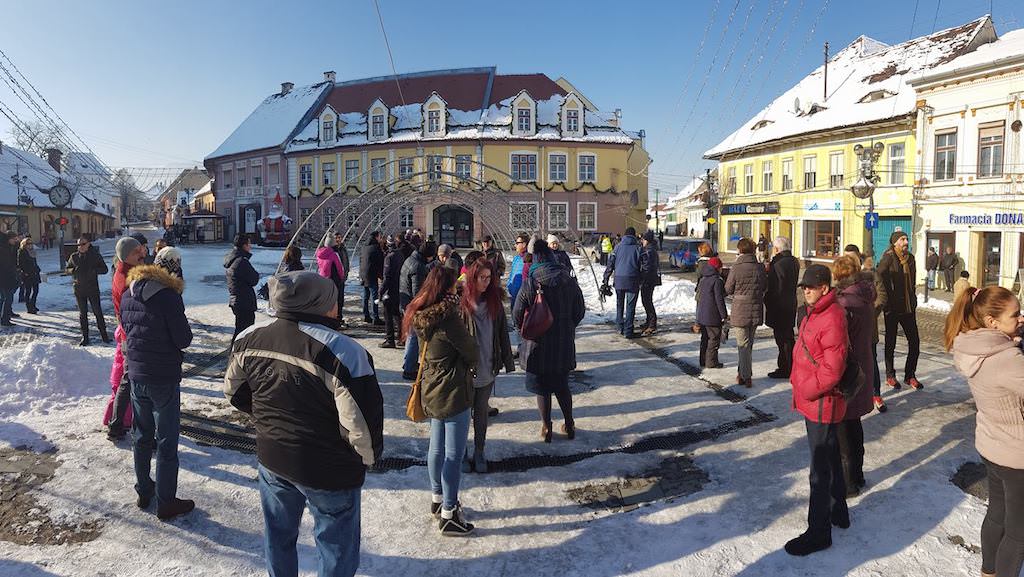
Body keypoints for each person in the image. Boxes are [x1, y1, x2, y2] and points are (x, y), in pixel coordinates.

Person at [225, 271, 384, 575]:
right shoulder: (343, 351)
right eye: (333, 300)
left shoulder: (249, 337)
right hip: (328, 467)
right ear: (319, 304)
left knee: (279, 536)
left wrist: (269, 419)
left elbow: (234, 392)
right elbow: (360, 423)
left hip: (273, 457)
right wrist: (367, 458)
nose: (337, 307)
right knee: (336, 546)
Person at [946, 285, 1024, 577]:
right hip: (1018, 455)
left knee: (996, 515)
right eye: (1015, 314)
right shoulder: (1007, 360)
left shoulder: (973, 346)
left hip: (992, 445)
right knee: (1018, 535)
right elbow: (1011, 370)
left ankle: (987, 572)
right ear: (991, 322)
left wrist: (1013, 339)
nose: (1020, 318)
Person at [404, 267, 479, 535]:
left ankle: (437, 499)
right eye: (454, 286)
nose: (457, 289)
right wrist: (471, 362)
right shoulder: (448, 318)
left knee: (436, 448)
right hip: (452, 390)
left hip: (431, 386)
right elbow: (471, 349)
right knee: (453, 455)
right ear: (445, 289)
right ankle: (449, 513)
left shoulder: (422, 315)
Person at [120, 248, 194, 520]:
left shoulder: (129, 293)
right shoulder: (168, 297)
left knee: (141, 436)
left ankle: (144, 489)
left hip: (137, 373)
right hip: (163, 376)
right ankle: (166, 501)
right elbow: (183, 338)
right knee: (166, 440)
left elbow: (126, 330)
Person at [785, 264, 849, 556]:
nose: (806, 290)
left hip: (821, 401)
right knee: (831, 454)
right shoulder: (816, 311)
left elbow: (832, 371)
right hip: (816, 400)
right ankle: (838, 511)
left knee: (819, 469)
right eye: (804, 287)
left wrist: (806, 389)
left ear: (825, 287)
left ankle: (819, 532)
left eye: (810, 286)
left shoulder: (831, 317)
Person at [513, 240, 585, 443]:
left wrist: (526, 331)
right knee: (562, 385)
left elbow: (517, 313)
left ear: (536, 258)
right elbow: (579, 311)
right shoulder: (569, 280)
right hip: (563, 343)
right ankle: (569, 423)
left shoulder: (531, 281)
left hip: (538, 343)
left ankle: (546, 427)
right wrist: (567, 326)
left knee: (542, 387)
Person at [459, 259, 515, 473]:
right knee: (464, 412)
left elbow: (502, 335)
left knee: (481, 413)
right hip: (465, 369)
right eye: (481, 277)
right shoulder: (462, 302)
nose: (485, 281)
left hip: (487, 366)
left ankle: (479, 451)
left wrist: (507, 360)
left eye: (489, 278)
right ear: (473, 277)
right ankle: (462, 451)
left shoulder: (495, 303)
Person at [832, 255, 876, 497]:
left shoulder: (845, 302)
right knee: (854, 424)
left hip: (847, 368)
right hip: (863, 364)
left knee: (843, 428)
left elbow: (838, 341)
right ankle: (857, 475)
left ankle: (848, 483)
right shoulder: (864, 295)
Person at [105, 236, 146, 441]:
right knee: (129, 378)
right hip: (129, 333)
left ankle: (119, 423)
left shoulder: (126, 270)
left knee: (128, 378)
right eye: (136, 252)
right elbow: (131, 308)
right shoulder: (125, 276)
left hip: (127, 331)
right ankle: (117, 424)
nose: (140, 255)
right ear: (126, 255)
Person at [875, 231, 923, 390]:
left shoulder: (910, 259)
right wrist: (886, 296)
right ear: (895, 242)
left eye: (907, 239)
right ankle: (890, 375)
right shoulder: (889, 257)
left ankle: (910, 375)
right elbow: (878, 275)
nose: (906, 242)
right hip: (893, 308)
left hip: (908, 307)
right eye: (902, 239)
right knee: (891, 343)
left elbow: (913, 282)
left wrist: (913, 298)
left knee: (915, 342)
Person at [726, 237, 766, 388]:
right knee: (748, 344)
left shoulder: (736, 268)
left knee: (742, 344)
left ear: (740, 250)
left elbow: (728, 289)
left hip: (740, 308)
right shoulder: (760, 267)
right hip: (755, 307)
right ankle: (741, 374)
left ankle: (746, 376)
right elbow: (764, 286)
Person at [400, 241, 436, 380]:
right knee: (414, 337)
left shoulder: (410, 259)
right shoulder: (418, 267)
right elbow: (418, 292)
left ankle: (408, 363)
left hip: (406, 303)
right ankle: (409, 369)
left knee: (410, 335)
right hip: (413, 305)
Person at [765, 236, 800, 379]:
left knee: (782, 339)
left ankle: (785, 367)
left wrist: (767, 299)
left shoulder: (778, 264)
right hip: (790, 303)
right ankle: (791, 365)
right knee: (788, 337)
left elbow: (774, 288)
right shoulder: (794, 261)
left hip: (779, 306)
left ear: (777, 249)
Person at [66, 235, 110, 345]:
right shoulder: (74, 256)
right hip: (79, 289)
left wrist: (94, 271)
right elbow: (67, 269)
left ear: (89, 244)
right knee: (83, 314)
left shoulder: (95, 255)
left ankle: (104, 335)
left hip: (92, 288)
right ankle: (85, 337)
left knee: (97, 312)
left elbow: (105, 269)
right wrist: (73, 270)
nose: (80, 246)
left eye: (83, 244)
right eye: (78, 244)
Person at [602, 227, 642, 338]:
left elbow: (610, 265)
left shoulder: (617, 247)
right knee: (630, 306)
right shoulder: (638, 248)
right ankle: (628, 331)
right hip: (633, 280)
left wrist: (606, 279)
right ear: (634, 236)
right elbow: (642, 266)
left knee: (619, 304)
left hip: (619, 280)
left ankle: (620, 327)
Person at [224, 234, 259, 341]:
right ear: (244, 245)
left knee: (241, 330)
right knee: (244, 332)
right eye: (249, 244)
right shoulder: (241, 261)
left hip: (237, 300)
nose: (250, 246)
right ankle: (236, 353)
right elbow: (254, 279)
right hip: (244, 302)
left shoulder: (233, 259)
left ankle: (236, 352)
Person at [696, 256, 727, 369]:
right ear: (717, 268)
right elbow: (719, 300)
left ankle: (702, 360)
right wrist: (724, 315)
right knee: (714, 339)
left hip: (703, 314)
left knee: (705, 338)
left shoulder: (704, 278)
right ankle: (711, 362)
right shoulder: (717, 281)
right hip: (713, 315)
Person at [379, 236, 404, 348]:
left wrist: (381, 291)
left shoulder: (389, 258)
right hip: (398, 288)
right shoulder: (399, 254)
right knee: (396, 314)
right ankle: (402, 336)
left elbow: (387, 277)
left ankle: (390, 339)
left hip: (390, 290)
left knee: (388, 315)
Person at [359, 231, 385, 325]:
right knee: (375, 297)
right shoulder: (376, 247)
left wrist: (361, 274)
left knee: (366, 296)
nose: (380, 238)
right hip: (372, 275)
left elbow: (361, 260)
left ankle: (366, 315)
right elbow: (380, 263)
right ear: (376, 237)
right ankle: (376, 317)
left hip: (364, 274)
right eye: (379, 237)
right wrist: (382, 276)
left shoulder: (364, 247)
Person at [639, 230, 660, 336]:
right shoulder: (650, 249)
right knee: (646, 301)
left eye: (643, 239)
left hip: (648, 279)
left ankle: (652, 324)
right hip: (650, 279)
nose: (642, 241)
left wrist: (642, 277)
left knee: (647, 301)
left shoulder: (648, 251)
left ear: (647, 240)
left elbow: (647, 267)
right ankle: (649, 322)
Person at [0, 232, 19, 326]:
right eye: (14, 239)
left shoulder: (10, 248)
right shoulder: (4, 249)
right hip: (5, 278)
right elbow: (6, 265)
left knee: (5, 298)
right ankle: (5, 319)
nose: (16, 241)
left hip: (8, 277)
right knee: (7, 298)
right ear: (9, 239)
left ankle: (6, 316)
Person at [17, 236, 40, 315]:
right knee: (28, 291)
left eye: (31, 243)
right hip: (27, 275)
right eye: (28, 243)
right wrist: (25, 272)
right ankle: (29, 308)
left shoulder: (32, 251)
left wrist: (38, 269)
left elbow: (35, 262)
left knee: (36, 290)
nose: (30, 245)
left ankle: (33, 304)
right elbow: (20, 264)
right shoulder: (22, 251)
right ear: (24, 244)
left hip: (35, 273)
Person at [333, 231, 351, 323]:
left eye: (339, 237)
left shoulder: (343, 248)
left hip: (342, 278)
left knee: (340, 299)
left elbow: (346, 261)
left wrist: (346, 272)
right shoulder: (332, 250)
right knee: (334, 299)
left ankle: (339, 316)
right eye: (336, 238)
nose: (338, 239)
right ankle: (334, 317)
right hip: (334, 278)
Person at [506, 233, 529, 306]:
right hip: (514, 295)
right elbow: (512, 274)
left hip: (523, 296)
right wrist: (509, 285)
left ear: (524, 244)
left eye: (517, 243)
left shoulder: (529, 259)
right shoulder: (516, 258)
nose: (515, 245)